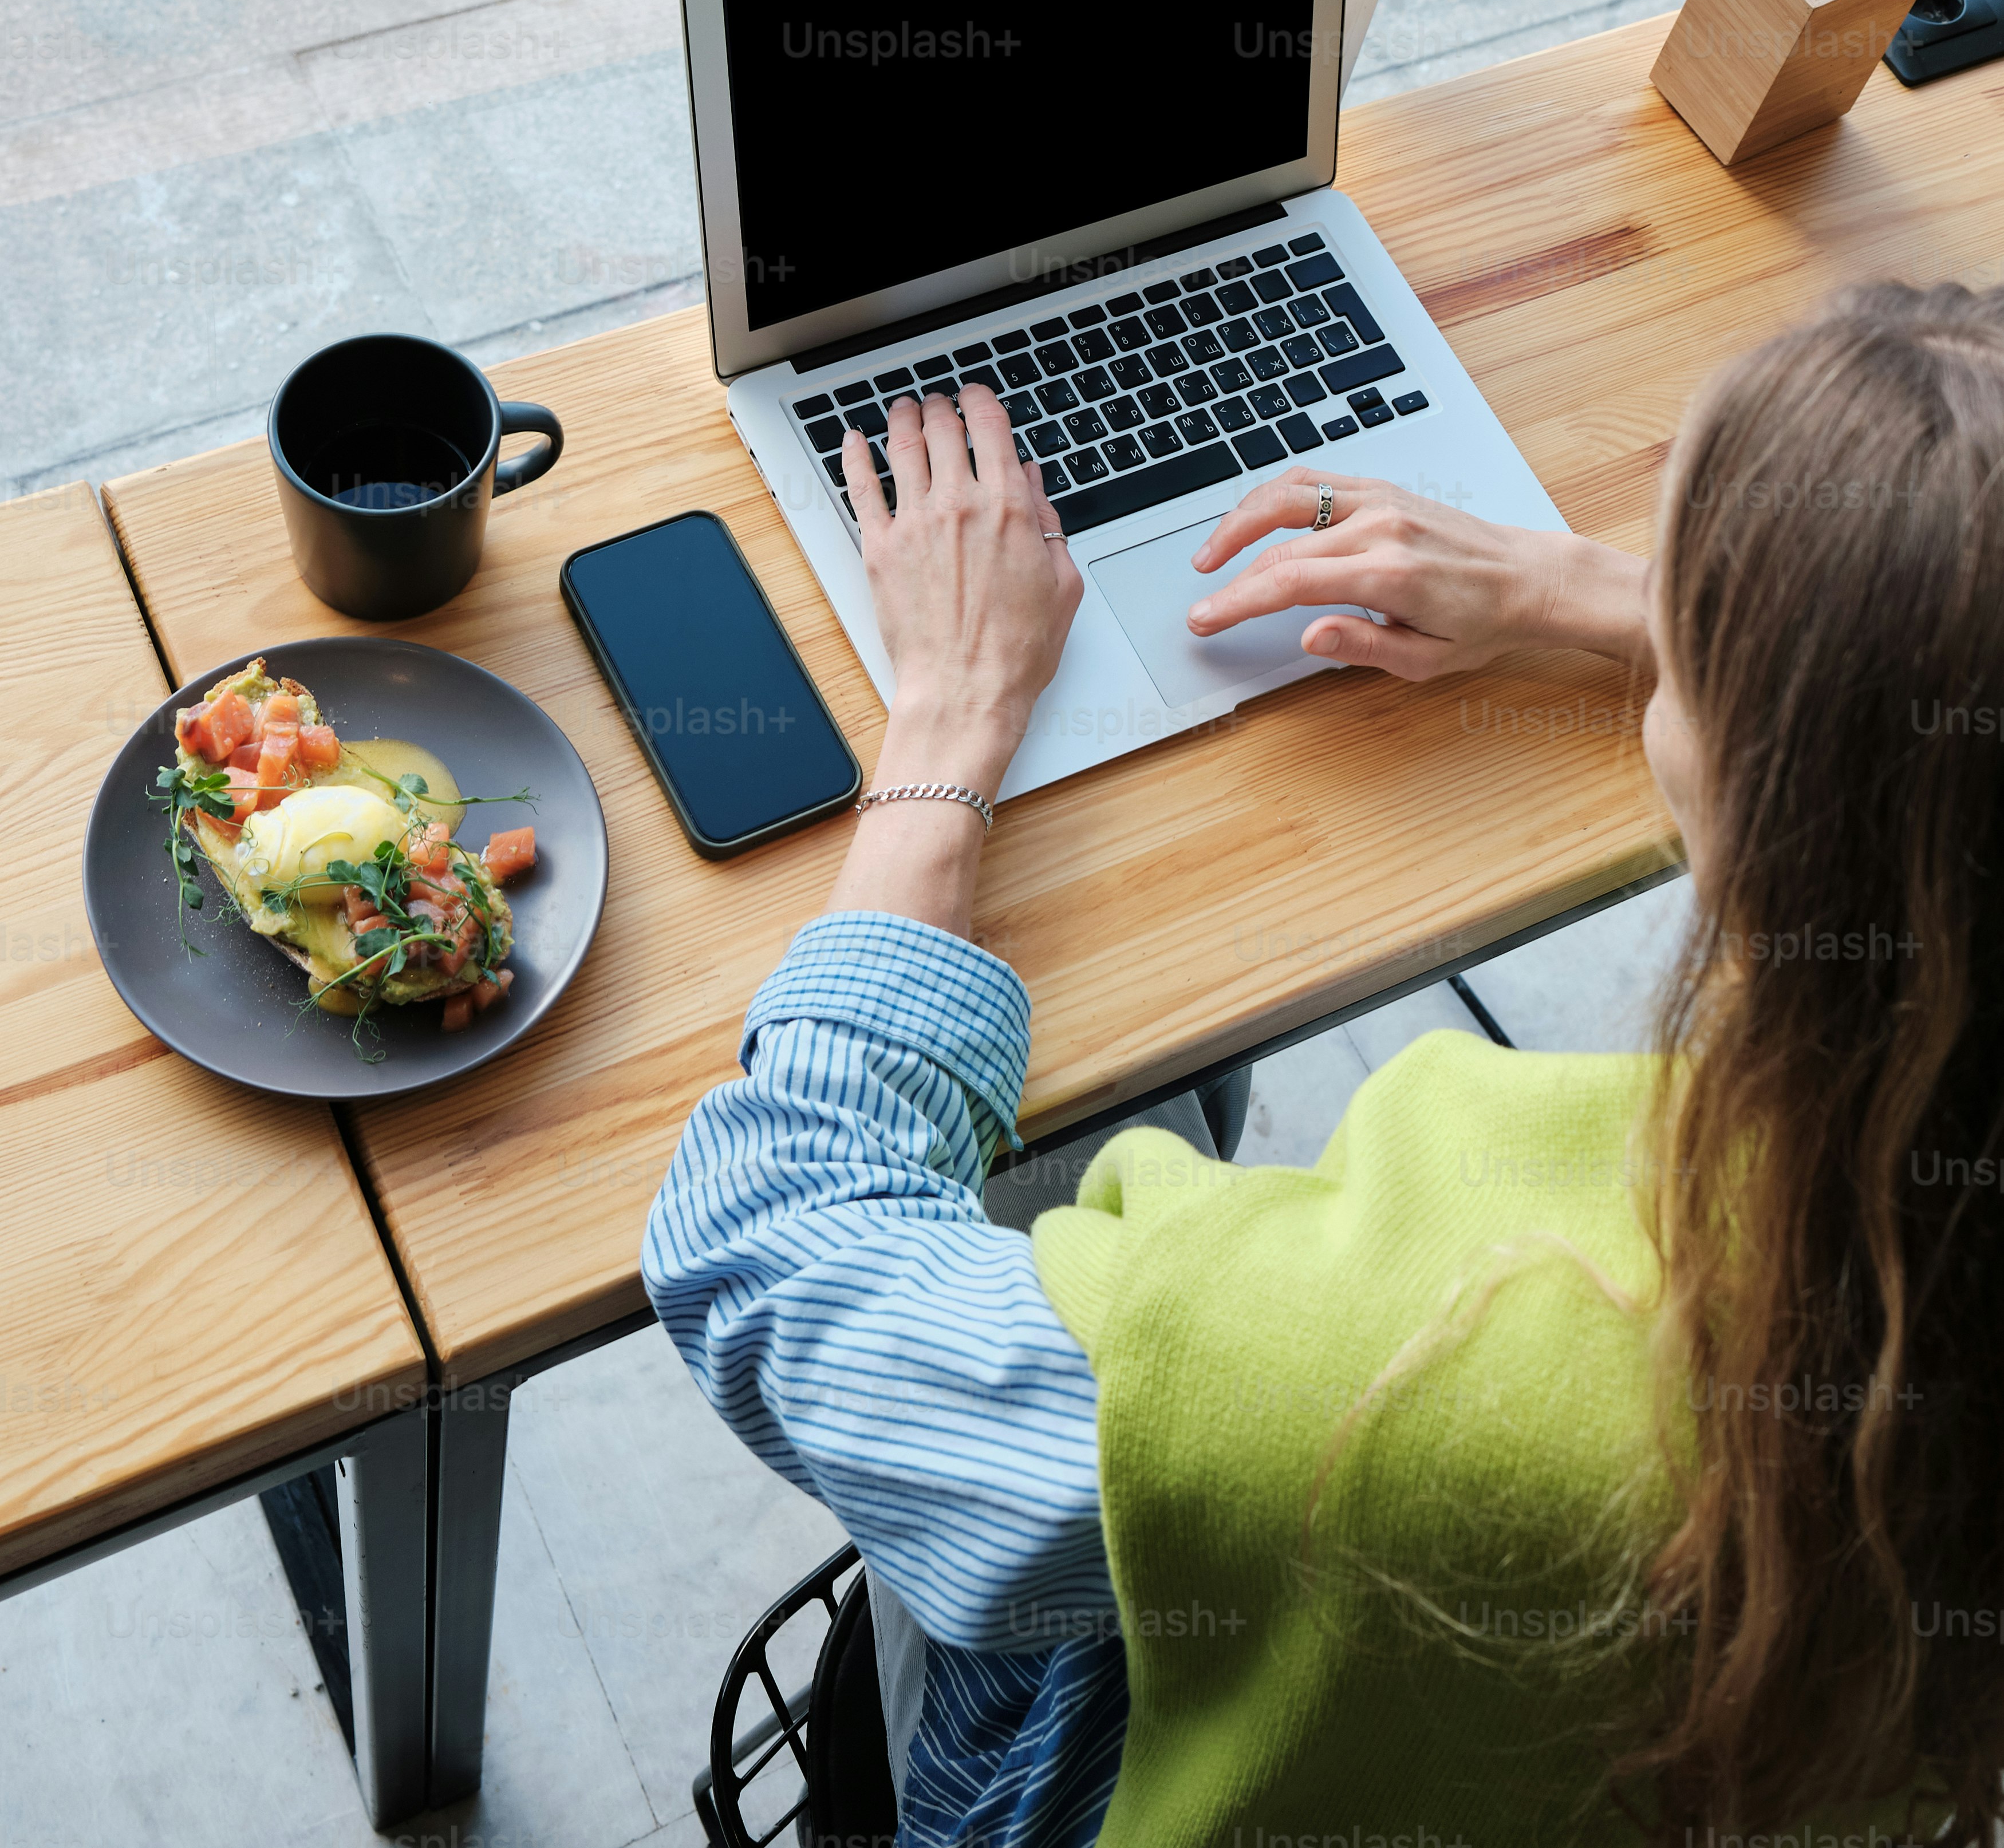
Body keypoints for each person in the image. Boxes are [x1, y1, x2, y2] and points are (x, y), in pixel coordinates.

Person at [644, 279, 2004, 1847]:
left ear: (1758, 783)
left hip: (1103, 1769)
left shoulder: (1392, 1366)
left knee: (1118, 1130)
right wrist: (1603, 596)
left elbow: (769, 1248)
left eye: (1682, 605)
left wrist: (948, 709)